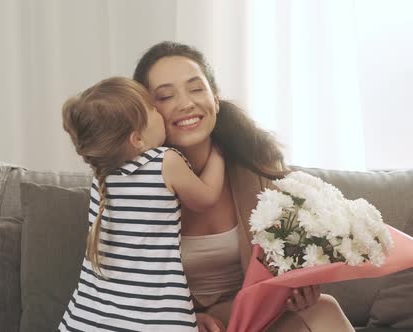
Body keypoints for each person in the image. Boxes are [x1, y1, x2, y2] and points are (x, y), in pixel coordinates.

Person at [133, 41, 356, 332]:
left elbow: (288, 258)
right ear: (147, 112)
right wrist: (182, 319)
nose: (185, 103)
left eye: (196, 89)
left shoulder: (255, 161)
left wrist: (298, 289)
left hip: (250, 318)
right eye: (165, 96)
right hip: (173, 325)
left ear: (215, 98)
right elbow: (125, 286)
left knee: (323, 308)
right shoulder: (133, 183)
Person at [57, 77, 227, 331]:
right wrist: (221, 149)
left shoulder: (101, 176)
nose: (160, 113)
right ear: (137, 139)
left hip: (87, 318)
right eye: (153, 109)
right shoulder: (163, 161)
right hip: (155, 320)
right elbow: (206, 197)